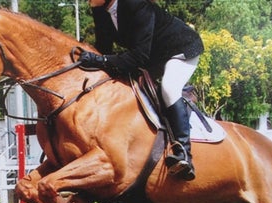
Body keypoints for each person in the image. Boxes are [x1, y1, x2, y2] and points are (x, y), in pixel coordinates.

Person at [78, 0, 204, 181]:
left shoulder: (135, 4)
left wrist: (102, 61)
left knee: (169, 88)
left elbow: (138, 56)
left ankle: (183, 152)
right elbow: (104, 48)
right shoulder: (101, 11)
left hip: (180, 48)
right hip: (153, 55)